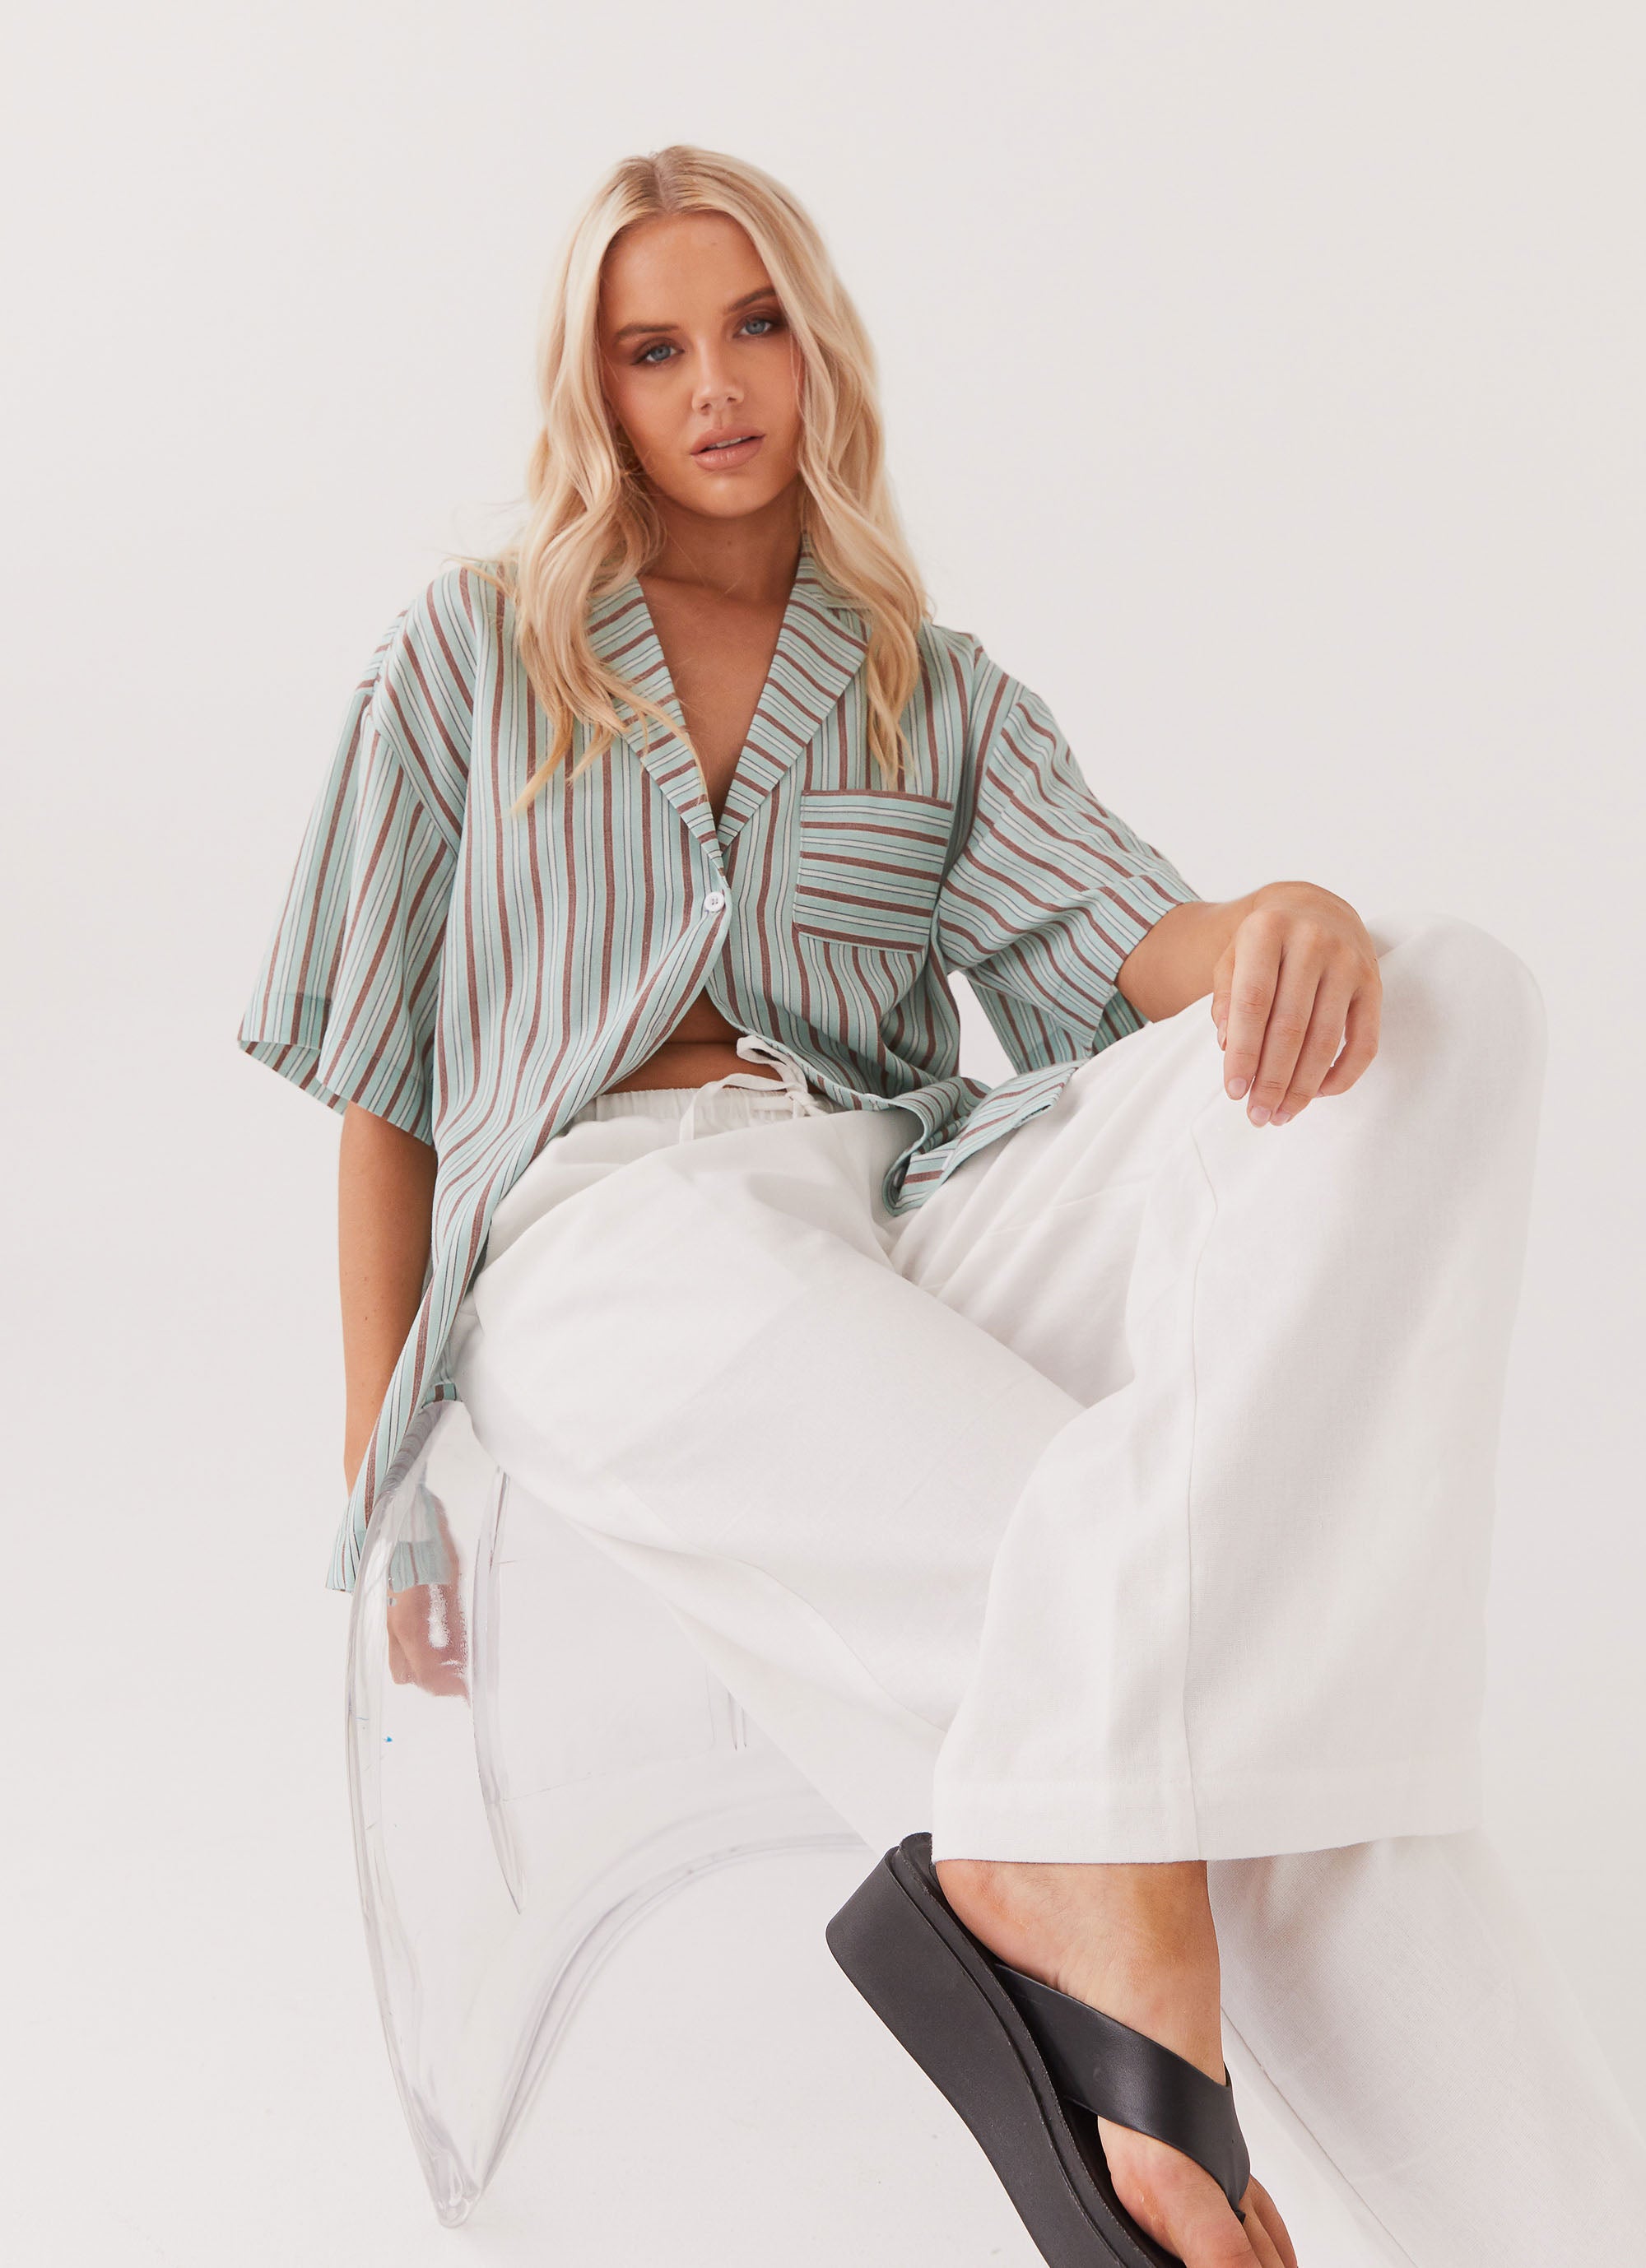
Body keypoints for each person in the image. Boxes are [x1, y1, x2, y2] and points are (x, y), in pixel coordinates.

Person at [237, 144, 1646, 2266]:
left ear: (819, 347)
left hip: (899, 1205)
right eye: (652, 350)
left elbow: (1126, 947)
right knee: (1241, 1671)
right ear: (595, 390)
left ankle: (1057, 1861)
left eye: (753, 327)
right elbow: (385, 1095)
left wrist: (1281, 913)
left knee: (1443, 994)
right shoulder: (471, 655)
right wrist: (389, 1483)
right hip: (605, 1236)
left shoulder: (930, 686)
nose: (716, 386)